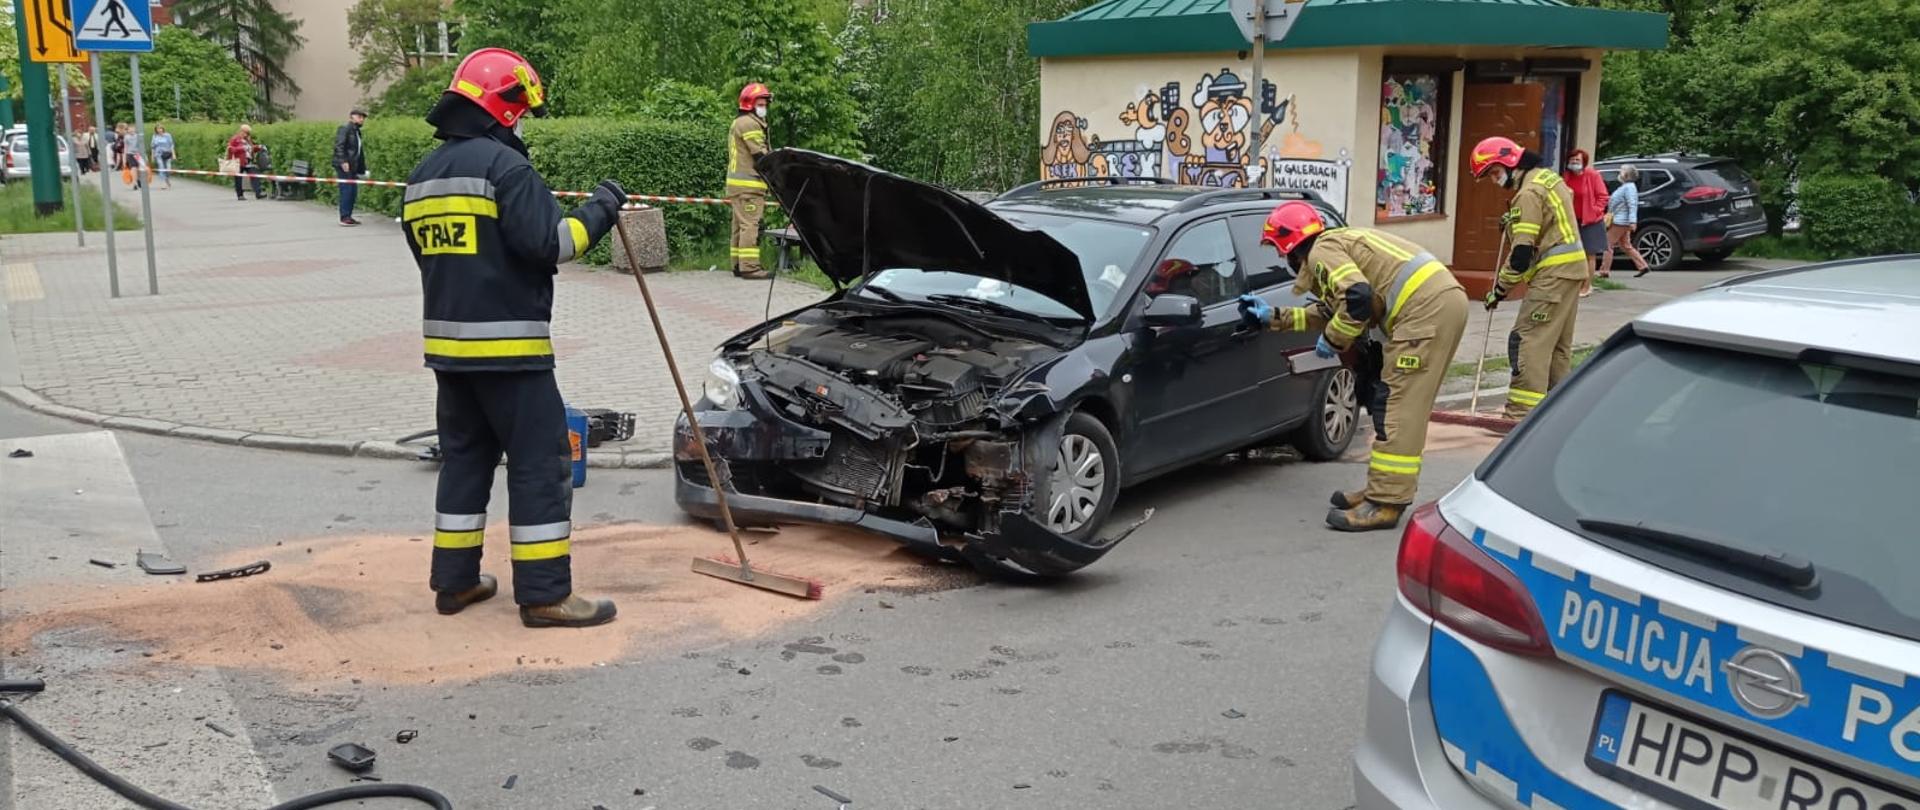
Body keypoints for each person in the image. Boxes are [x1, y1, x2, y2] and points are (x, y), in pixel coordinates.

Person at [406, 47, 626, 628]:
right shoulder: (507, 170)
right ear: (503, 108)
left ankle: (454, 584)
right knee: (538, 464)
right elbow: (554, 243)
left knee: (465, 461)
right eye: (521, 110)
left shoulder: (423, 176)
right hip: (512, 355)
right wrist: (603, 207)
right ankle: (547, 594)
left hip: (449, 355)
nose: (522, 122)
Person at [1236, 202, 1468, 532]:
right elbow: (1336, 310)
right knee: (1392, 402)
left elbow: (1358, 298)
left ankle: (1385, 503)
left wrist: (1332, 341)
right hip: (1436, 305)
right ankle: (1380, 490)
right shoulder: (1334, 247)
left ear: (1289, 244)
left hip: (1425, 312)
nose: (1279, 258)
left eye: (1277, 249)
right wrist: (1274, 317)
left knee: (1396, 407)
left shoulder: (1321, 252)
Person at [1470, 135, 1586, 421]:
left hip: (1553, 276)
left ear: (1510, 163)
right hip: (1572, 271)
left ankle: (1520, 415)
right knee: (1557, 346)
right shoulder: (1548, 179)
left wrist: (1499, 289)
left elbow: (1521, 254)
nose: (1495, 181)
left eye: (1495, 173)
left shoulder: (1528, 193)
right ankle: (1559, 413)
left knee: (1527, 341)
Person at [726, 83, 773, 280]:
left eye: (765, 103)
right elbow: (760, 155)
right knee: (750, 226)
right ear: (750, 104)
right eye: (761, 103)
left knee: (739, 226)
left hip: (738, 186)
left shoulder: (739, 122)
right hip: (749, 186)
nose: (764, 107)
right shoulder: (750, 124)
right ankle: (750, 268)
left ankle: (738, 264)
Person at [1563, 149, 1608, 297]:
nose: (1574, 162)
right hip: (1573, 220)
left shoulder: (1592, 175)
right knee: (1574, 254)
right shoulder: (1567, 176)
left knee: (1589, 254)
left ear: (1584, 162)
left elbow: (1603, 196)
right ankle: (1575, 284)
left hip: (1590, 221)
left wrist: (1596, 210)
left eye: (1577, 160)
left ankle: (1587, 286)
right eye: (1572, 160)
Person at [1601, 165, 1651, 279]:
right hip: (1623, 221)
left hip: (1620, 221)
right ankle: (1643, 266)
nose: (1620, 173)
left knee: (1608, 245)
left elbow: (1632, 204)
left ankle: (1604, 271)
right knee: (1625, 246)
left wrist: (1633, 221)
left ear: (1626, 175)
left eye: (1622, 171)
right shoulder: (1627, 187)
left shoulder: (1628, 188)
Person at [333, 109, 369, 226]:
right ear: (352, 117)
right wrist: (343, 161)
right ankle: (344, 217)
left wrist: (361, 168)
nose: (361, 119)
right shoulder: (345, 129)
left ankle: (348, 215)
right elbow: (339, 146)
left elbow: (358, 152)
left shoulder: (357, 132)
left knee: (352, 191)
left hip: (353, 166)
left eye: (363, 117)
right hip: (345, 166)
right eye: (359, 116)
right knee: (347, 190)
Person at [227, 125, 255, 201]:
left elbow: (251, 148)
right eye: (246, 133)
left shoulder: (248, 140)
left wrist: (257, 147)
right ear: (241, 131)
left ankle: (258, 193)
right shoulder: (235, 139)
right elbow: (230, 149)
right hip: (238, 161)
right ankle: (240, 195)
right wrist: (241, 148)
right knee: (238, 179)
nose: (247, 135)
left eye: (248, 133)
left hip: (248, 161)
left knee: (254, 175)